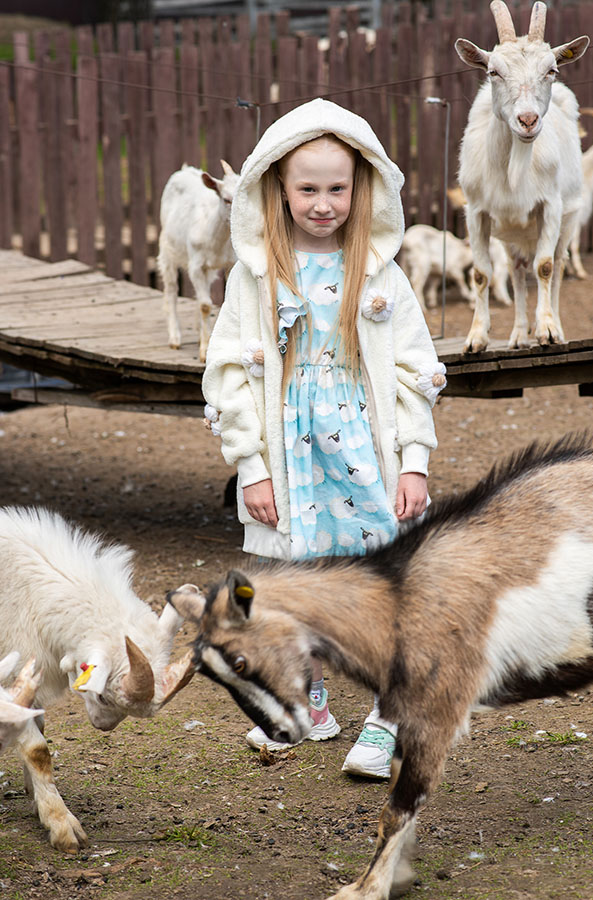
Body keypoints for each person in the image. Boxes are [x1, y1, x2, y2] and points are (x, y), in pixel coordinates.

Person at [202, 98, 446, 779]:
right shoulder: (255, 278)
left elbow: (412, 371)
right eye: (307, 188)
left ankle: (388, 715)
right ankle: (308, 704)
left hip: (367, 452)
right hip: (290, 458)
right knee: (291, 585)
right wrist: (250, 465)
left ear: (360, 187)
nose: (322, 203)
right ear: (277, 187)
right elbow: (228, 376)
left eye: (337, 188)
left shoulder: (380, 275)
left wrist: (414, 464)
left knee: (376, 588)